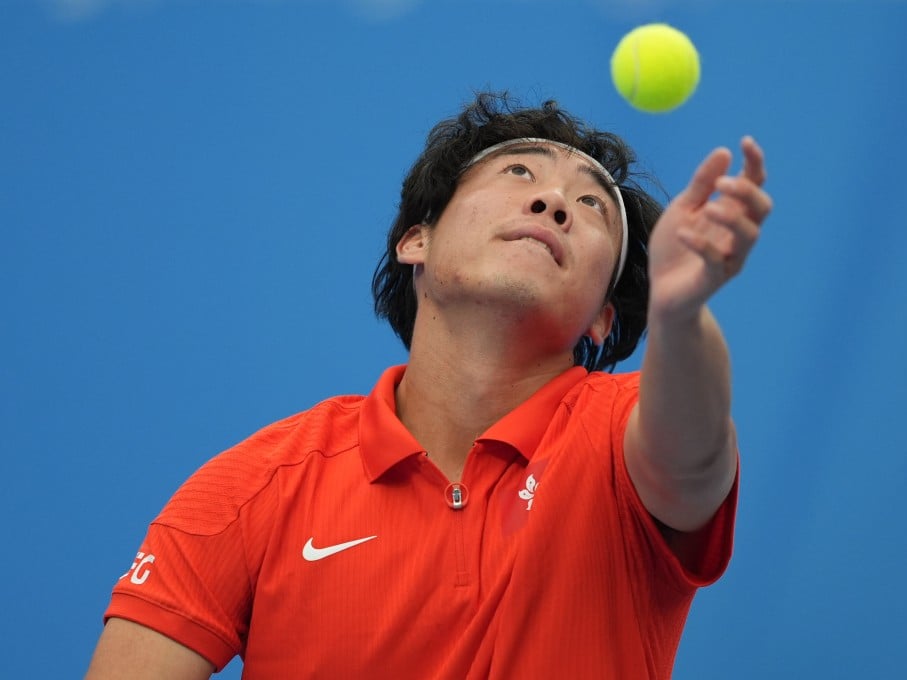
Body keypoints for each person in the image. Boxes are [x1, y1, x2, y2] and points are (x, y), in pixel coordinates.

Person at [86, 91, 771, 679]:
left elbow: (694, 455)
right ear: (417, 240)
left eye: (592, 206)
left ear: (602, 318)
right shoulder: (254, 486)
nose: (553, 200)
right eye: (519, 171)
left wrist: (680, 316)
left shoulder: (626, 435)